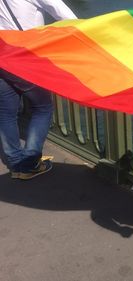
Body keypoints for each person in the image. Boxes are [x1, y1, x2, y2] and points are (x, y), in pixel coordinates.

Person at [0, 0, 77, 180]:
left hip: (3, 55)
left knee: (5, 113)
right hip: (26, 57)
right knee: (42, 108)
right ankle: (29, 164)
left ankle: (15, 162)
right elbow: (65, 15)